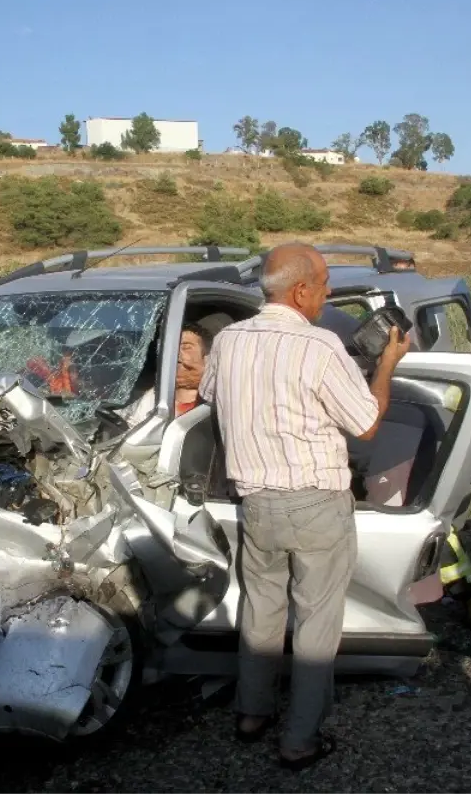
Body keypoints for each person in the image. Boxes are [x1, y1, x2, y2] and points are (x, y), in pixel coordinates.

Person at [199, 243, 409, 770]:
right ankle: (299, 740)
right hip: (316, 502)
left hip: (256, 504)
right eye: (323, 283)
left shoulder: (226, 340)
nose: (329, 292)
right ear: (300, 291)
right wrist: (385, 365)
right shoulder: (320, 347)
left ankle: (252, 713)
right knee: (316, 626)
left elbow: (207, 394)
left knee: (260, 612)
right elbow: (365, 422)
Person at [121, 321, 211, 424]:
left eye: (186, 347)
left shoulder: (218, 401)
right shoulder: (151, 399)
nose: (176, 353)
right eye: (170, 349)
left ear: (207, 358)